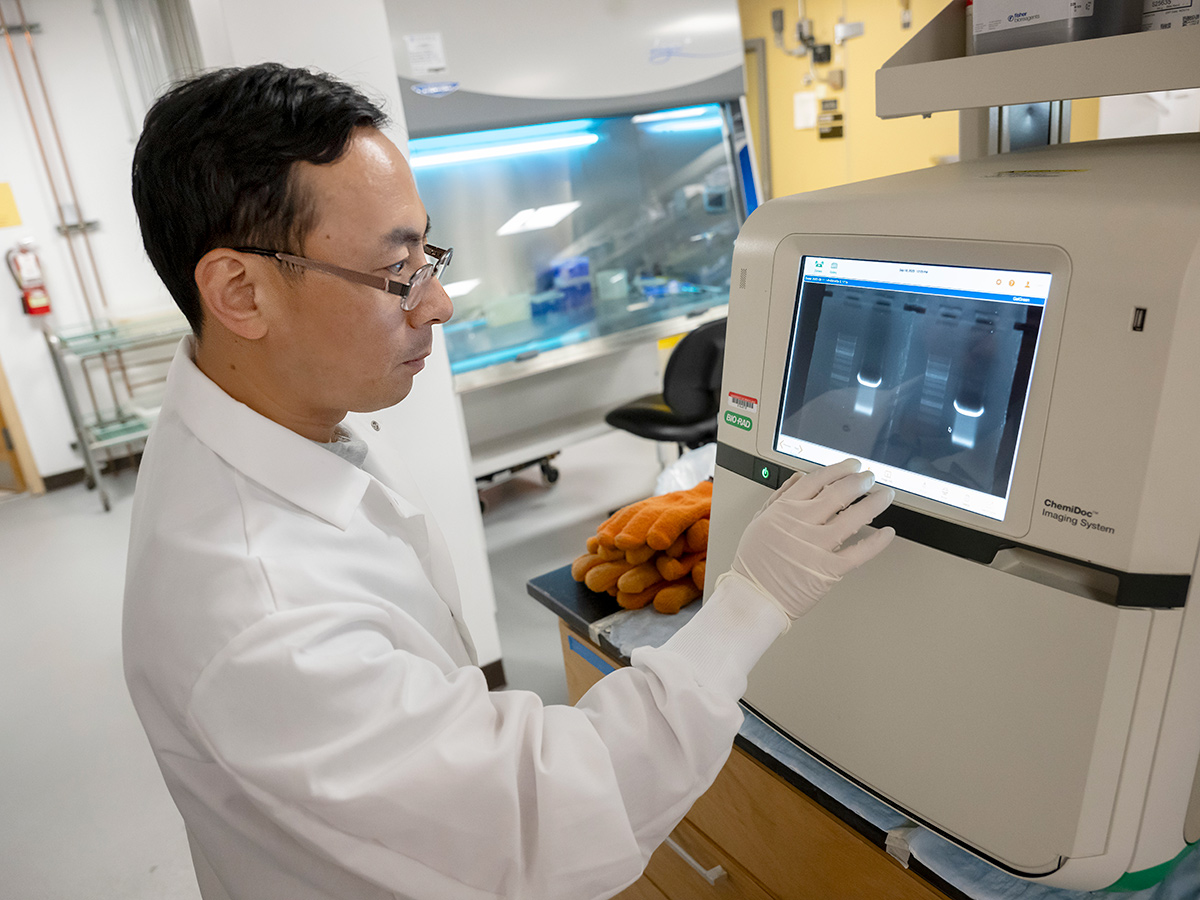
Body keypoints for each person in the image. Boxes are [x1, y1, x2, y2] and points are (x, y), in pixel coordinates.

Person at [122, 62, 896, 900]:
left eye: (429, 253)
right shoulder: (260, 613)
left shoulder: (251, 420)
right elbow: (550, 815)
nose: (439, 303)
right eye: (397, 272)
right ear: (240, 291)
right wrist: (755, 600)